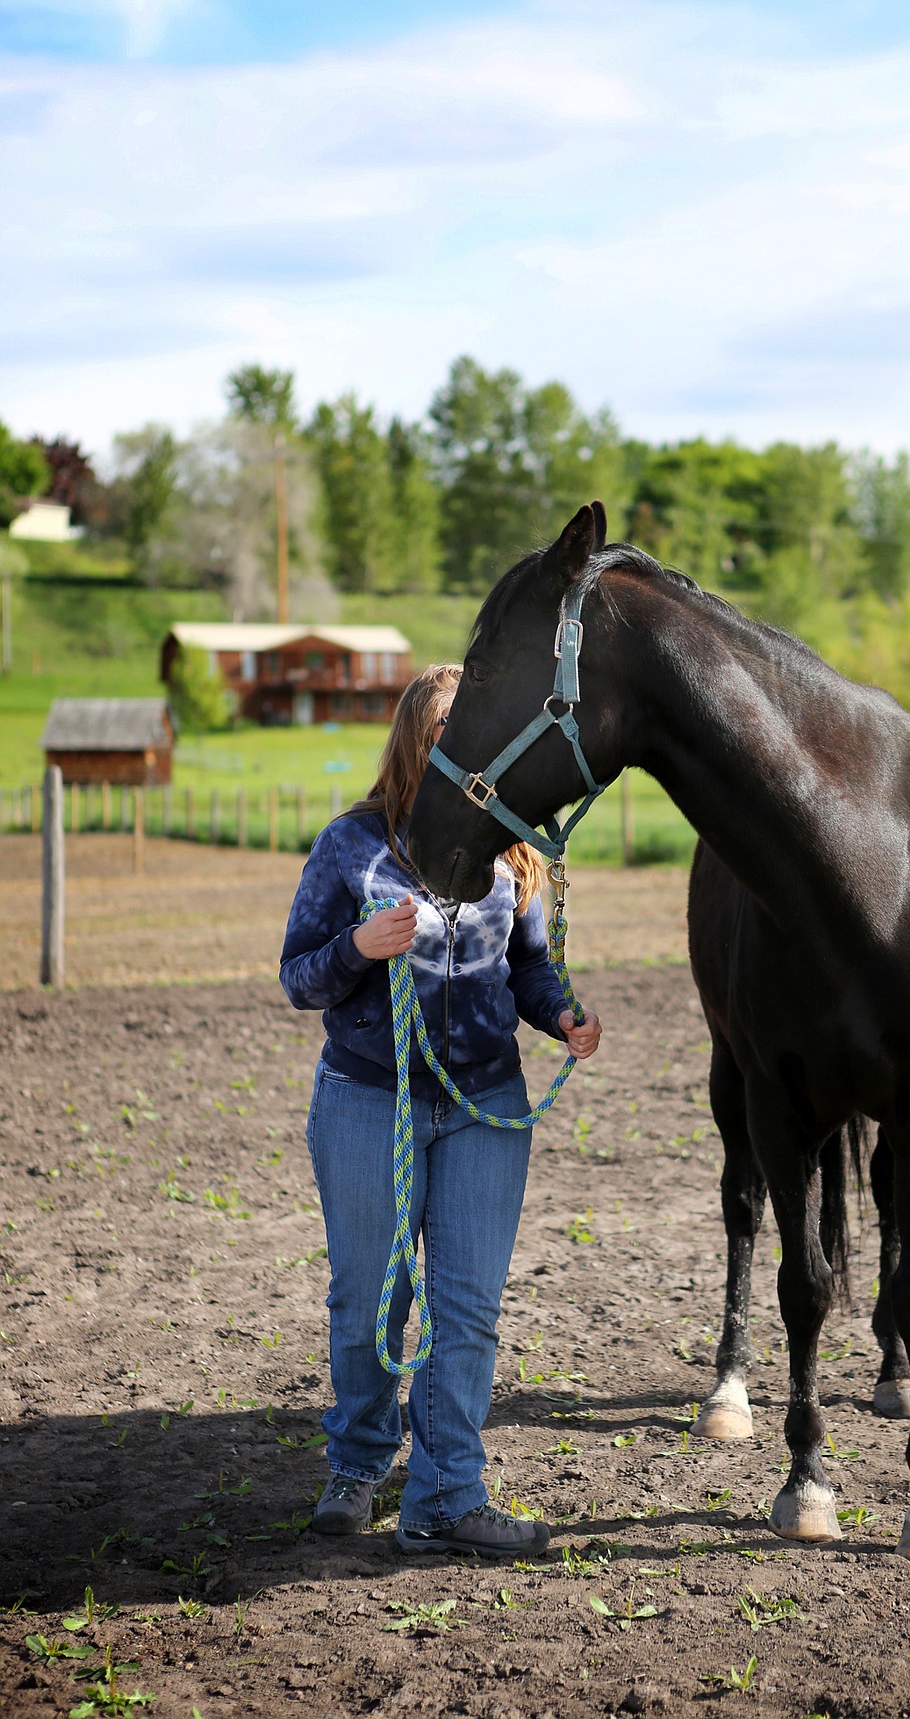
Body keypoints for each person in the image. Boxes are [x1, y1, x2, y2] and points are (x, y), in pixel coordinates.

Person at [279, 663, 602, 1557]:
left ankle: (448, 1493)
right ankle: (358, 1463)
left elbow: (529, 969)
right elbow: (297, 975)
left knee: (467, 1307)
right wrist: (356, 946)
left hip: (485, 1103)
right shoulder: (352, 845)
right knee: (364, 1300)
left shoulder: (510, 849)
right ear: (420, 738)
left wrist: (564, 1013)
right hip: (364, 1101)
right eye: (456, 728)